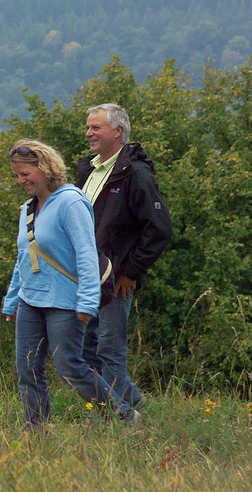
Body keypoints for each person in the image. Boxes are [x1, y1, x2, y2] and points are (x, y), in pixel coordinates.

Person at [1, 140, 138, 429]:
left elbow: (87, 254)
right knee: (27, 368)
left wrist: (87, 302)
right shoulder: (27, 208)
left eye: (25, 173)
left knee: (69, 367)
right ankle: (35, 430)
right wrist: (12, 300)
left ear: (45, 168)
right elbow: (23, 257)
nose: (20, 180)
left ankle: (123, 416)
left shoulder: (71, 202)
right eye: (17, 175)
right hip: (30, 300)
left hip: (64, 301)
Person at [76, 104, 171, 409]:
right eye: (88, 127)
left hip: (116, 279)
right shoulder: (88, 169)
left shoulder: (136, 173)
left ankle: (120, 415)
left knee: (109, 349)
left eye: (96, 128)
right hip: (85, 277)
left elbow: (158, 228)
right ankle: (130, 405)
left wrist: (131, 271)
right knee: (84, 349)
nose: (89, 133)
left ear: (118, 132)